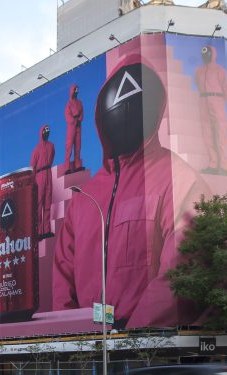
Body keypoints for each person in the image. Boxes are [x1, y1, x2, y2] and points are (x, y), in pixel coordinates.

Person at [53, 51, 208, 329]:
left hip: (148, 347)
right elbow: (63, 277)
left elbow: (182, 270)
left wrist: (130, 336)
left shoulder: (179, 179)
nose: (123, 110)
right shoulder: (83, 199)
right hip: (90, 348)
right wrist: (75, 336)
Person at [195, 45, 227, 174]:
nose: (206, 56)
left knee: (221, 132)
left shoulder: (220, 70)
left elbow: (226, 87)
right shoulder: (198, 71)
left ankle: (225, 166)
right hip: (203, 100)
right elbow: (198, 85)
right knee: (207, 133)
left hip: (217, 99)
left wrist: (221, 101)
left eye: (208, 53)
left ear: (213, 54)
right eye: (204, 54)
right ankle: (213, 164)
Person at [31, 125, 56, 239]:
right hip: (39, 176)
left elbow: (52, 158)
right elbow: (33, 166)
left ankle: (46, 230)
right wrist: (33, 181)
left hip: (48, 174)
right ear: (41, 133)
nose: (47, 132)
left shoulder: (51, 146)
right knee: (39, 204)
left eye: (48, 130)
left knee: (47, 204)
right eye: (45, 130)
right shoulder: (36, 149)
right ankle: (38, 232)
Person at [63, 84, 84, 174]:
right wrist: (74, 121)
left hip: (78, 126)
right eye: (74, 90)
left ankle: (77, 165)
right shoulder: (68, 104)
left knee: (78, 146)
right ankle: (66, 167)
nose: (76, 91)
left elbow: (82, 112)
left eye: (77, 90)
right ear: (72, 91)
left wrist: (79, 119)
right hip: (71, 127)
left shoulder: (80, 102)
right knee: (69, 147)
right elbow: (67, 116)